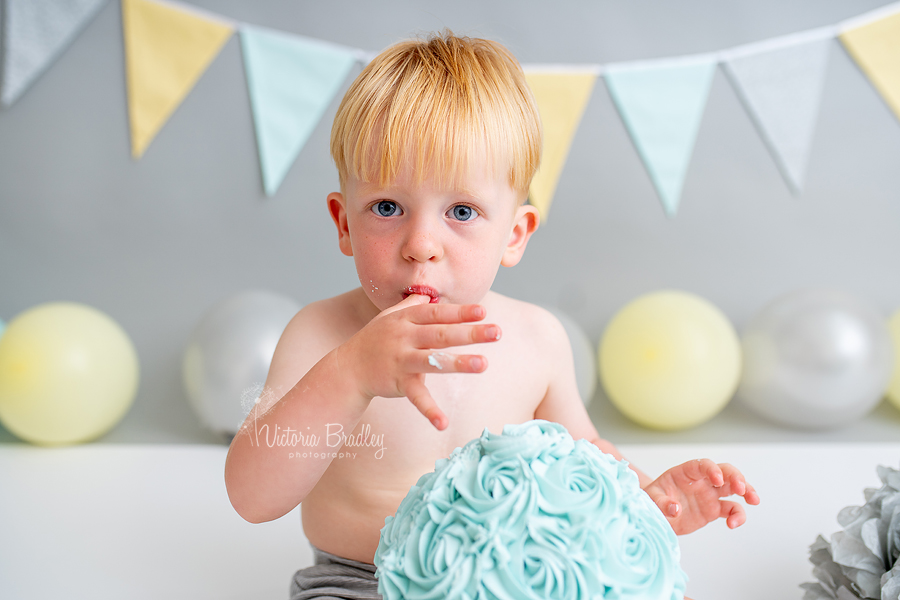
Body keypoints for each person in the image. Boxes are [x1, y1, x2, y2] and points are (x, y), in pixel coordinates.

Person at [224, 30, 759, 599]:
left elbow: (587, 462)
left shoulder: (537, 340)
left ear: (514, 234)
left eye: (461, 210)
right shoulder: (320, 336)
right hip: (361, 581)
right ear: (344, 224)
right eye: (387, 207)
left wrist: (652, 499)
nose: (421, 243)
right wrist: (349, 374)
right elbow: (254, 498)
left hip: (507, 579)